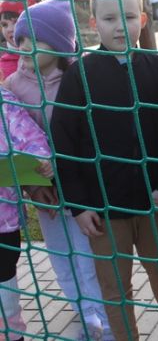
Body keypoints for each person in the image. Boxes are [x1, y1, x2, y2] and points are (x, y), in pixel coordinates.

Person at [50, 0, 158, 341]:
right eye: (110, 19)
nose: (120, 27)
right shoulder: (81, 74)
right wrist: (78, 205)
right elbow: (64, 142)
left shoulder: (157, 67)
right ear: (94, 24)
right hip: (103, 207)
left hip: (152, 200)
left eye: (128, 17)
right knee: (114, 284)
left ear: (143, 19)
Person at [7, 0, 111, 340]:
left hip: (81, 189)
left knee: (88, 259)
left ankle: (106, 321)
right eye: (21, 40)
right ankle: (87, 317)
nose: (24, 46)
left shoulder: (81, 79)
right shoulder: (13, 86)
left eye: (34, 40)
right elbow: (14, 141)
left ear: (59, 44)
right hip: (46, 193)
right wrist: (33, 185)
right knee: (61, 259)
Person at [0, 85, 51, 341]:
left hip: (3, 219)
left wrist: (41, 160)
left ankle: (11, 333)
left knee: (4, 286)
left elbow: (30, 138)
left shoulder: (3, 100)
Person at [0, 0, 39, 78]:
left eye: (16, 22)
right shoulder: (4, 65)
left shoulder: (49, 56)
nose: (9, 29)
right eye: (4, 25)